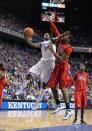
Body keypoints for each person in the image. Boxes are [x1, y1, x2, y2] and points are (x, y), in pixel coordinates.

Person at [32, 14, 73, 120]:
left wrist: (52, 51)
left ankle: (68, 110)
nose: (64, 37)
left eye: (66, 37)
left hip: (63, 67)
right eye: (64, 36)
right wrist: (50, 20)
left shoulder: (69, 48)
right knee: (53, 85)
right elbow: (55, 30)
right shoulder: (60, 41)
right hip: (56, 67)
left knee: (62, 88)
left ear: (69, 40)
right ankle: (59, 105)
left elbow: (61, 59)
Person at [24, 32, 69, 107]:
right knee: (45, 83)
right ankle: (43, 101)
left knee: (57, 85)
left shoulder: (52, 41)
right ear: (43, 37)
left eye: (48, 34)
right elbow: (33, 44)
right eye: (45, 34)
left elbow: (57, 37)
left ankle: (64, 106)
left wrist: (63, 34)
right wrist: (26, 39)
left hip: (53, 64)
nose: (47, 34)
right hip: (45, 63)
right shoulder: (42, 43)